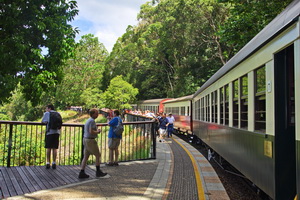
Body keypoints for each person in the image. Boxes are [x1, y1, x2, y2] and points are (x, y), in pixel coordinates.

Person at [79, 108, 107, 178]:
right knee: (98, 155)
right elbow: (91, 131)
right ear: (92, 114)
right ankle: (98, 171)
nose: (97, 115)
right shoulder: (92, 121)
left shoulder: (88, 120)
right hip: (90, 140)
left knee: (86, 156)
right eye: (96, 113)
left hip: (85, 139)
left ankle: (82, 172)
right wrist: (97, 131)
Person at [42, 104, 62, 169]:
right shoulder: (58, 113)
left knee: (48, 147)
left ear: (49, 108)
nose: (46, 110)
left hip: (49, 132)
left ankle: (48, 162)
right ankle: (54, 162)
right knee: (54, 148)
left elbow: (43, 121)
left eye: (46, 108)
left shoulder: (47, 113)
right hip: (57, 132)